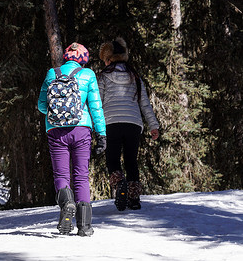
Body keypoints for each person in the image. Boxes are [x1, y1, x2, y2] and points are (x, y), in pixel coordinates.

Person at [38, 42, 107, 236]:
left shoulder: (52, 73)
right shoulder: (88, 75)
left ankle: (67, 203)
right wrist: (101, 134)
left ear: (66, 57)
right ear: (83, 58)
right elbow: (96, 107)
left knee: (61, 176)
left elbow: (41, 106)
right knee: (81, 175)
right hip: (81, 129)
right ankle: (84, 226)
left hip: (55, 131)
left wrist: (57, 112)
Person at [98, 37, 160, 211]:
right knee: (132, 160)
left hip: (111, 123)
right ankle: (134, 198)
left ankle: (120, 186)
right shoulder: (135, 76)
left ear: (109, 59)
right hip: (133, 123)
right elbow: (145, 104)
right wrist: (153, 126)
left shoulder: (103, 77)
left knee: (112, 159)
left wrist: (95, 126)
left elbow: (98, 102)